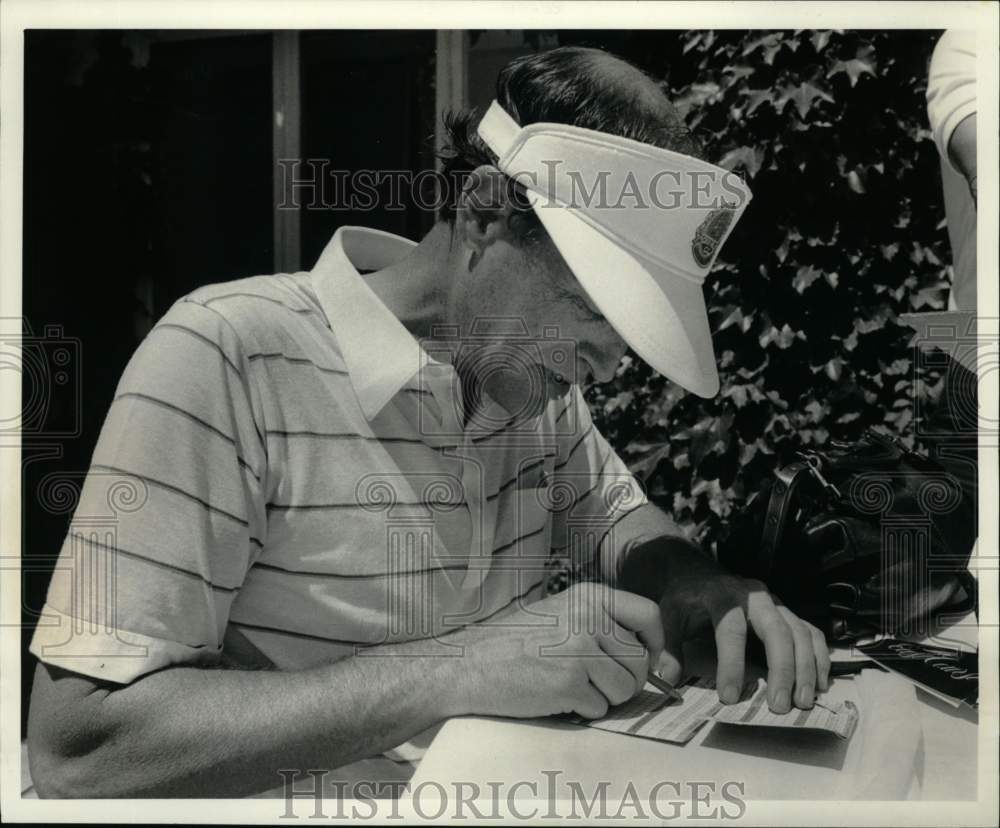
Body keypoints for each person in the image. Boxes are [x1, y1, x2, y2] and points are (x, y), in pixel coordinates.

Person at [27, 46, 830, 799]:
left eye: (627, 337)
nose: (611, 366)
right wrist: (458, 668)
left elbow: (617, 522)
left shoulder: (530, 385)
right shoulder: (228, 353)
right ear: (484, 216)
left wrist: (695, 584)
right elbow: (77, 748)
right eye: (590, 310)